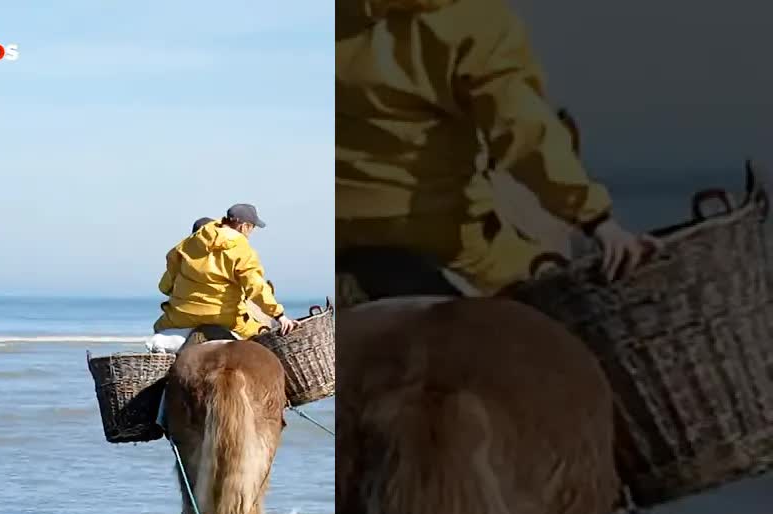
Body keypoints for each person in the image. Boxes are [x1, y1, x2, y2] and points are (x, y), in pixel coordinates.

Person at [336, 0, 656, 295]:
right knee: (560, 305)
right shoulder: (474, 19)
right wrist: (597, 220)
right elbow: (523, 130)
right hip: (443, 242)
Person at [154, 203, 300, 341]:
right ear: (244, 226)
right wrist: (279, 315)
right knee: (263, 334)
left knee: (159, 327)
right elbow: (255, 286)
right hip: (224, 318)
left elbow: (164, 287)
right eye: (253, 227)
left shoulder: (187, 244)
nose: (251, 232)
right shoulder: (242, 249)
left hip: (182, 317)